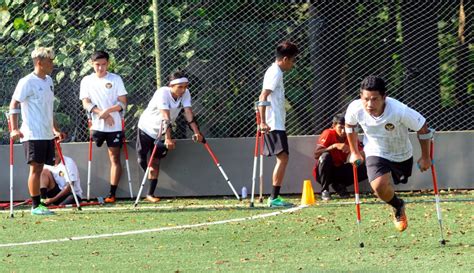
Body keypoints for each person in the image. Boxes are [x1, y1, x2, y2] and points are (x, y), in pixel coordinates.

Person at [345, 75, 432, 232]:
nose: (369, 104)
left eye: (375, 99)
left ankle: (397, 202)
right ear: (360, 96)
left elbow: (423, 128)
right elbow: (350, 126)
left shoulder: (399, 110)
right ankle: (398, 206)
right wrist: (354, 152)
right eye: (366, 99)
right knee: (378, 186)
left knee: (395, 182)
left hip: (401, 153)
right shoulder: (355, 108)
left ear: (384, 97)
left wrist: (425, 157)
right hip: (375, 150)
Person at [9, 47, 65, 215]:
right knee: (36, 168)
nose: (53, 64)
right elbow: (14, 104)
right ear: (39, 62)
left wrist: (56, 128)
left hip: (47, 133)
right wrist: (14, 129)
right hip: (32, 133)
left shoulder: (49, 80)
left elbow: (49, 108)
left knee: (40, 168)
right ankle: (35, 206)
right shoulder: (26, 81)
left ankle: (39, 203)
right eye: (50, 61)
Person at [136, 71, 204, 202]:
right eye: (180, 87)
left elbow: (188, 113)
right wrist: (168, 138)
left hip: (162, 131)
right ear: (171, 86)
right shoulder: (162, 93)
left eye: (186, 86)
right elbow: (165, 117)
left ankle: (150, 194)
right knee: (142, 158)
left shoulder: (185, 94)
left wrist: (197, 132)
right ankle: (147, 171)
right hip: (147, 127)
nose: (183, 90)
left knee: (156, 161)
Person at [79, 51, 128, 203]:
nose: (100, 68)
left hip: (115, 127)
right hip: (97, 125)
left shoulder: (115, 79)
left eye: (104, 64)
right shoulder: (87, 80)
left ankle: (111, 194)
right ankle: (87, 193)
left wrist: (109, 111)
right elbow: (85, 103)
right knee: (96, 143)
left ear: (108, 64)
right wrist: (102, 113)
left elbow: (123, 102)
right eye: (97, 65)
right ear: (92, 64)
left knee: (114, 157)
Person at [258, 41, 299, 207]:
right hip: (273, 123)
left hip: (276, 122)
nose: (293, 64)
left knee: (283, 158)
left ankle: (274, 197)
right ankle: (274, 198)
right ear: (285, 59)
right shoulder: (275, 72)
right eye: (293, 60)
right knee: (283, 158)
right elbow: (263, 96)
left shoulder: (276, 72)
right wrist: (262, 121)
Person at [313, 114, 367, 201]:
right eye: (340, 127)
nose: (343, 131)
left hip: (340, 169)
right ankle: (325, 190)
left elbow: (362, 154)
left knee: (365, 166)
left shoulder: (351, 136)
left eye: (345, 128)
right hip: (323, 172)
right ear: (334, 126)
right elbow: (316, 154)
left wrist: (354, 151)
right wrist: (334, 146)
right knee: (325, 156)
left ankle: (339, 185)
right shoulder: (328, 133)